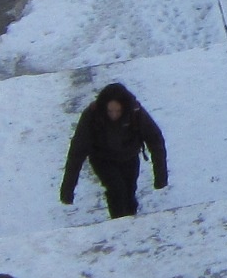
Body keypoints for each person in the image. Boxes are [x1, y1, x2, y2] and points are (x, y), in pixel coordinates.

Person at [61, 84, 167, 220]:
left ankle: (130, 221)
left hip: (129, 156)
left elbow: (156, 141)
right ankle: (119, 222)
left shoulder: (136, 112)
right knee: (116, 190)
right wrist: (68, 189)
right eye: (110, 111)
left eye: (118, 111)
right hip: (102, 159)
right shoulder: (92, 115)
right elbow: (77, 151)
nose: (114, 115)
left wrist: (160, 177)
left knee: (129, 193)